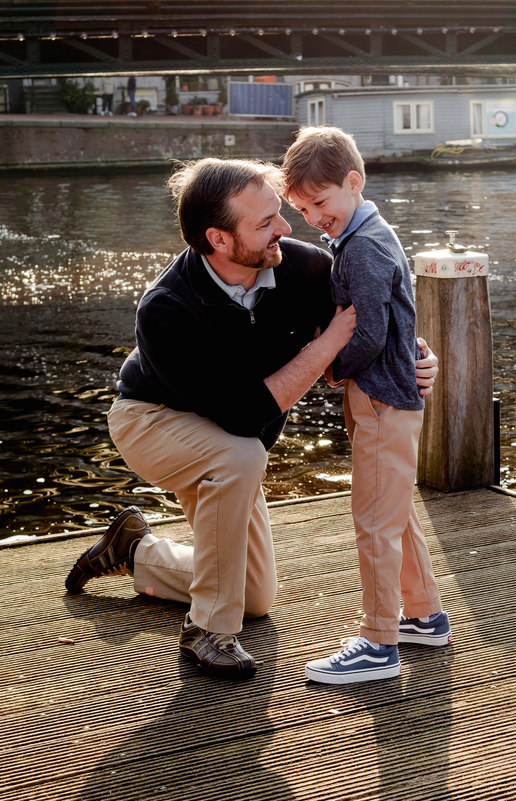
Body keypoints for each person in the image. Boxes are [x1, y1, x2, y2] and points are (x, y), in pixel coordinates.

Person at [64, 157, 439, 679]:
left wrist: (417, 358)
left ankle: (137, 550)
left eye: (281, 214)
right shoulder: (165, 309)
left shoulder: (301, 267)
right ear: (218, 239)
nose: (286, 227)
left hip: (227, 436)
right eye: (265, 223)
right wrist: (328, 343)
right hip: (152, 421)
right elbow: (245, 415)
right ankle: (208, 632)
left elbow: (377, 310)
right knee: (240, 454)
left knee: (256, 596)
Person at [282, 126, 451, 685]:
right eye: (303, 208)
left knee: (373, 523)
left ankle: (379, 642)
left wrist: (329, 366)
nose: (313, 217)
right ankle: (423, 614)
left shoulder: (365, 249)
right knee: (392, 511)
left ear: (353, 183)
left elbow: (371, 333)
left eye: (320, 203)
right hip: (388, 396)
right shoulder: (362, 235)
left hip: (381, 398)